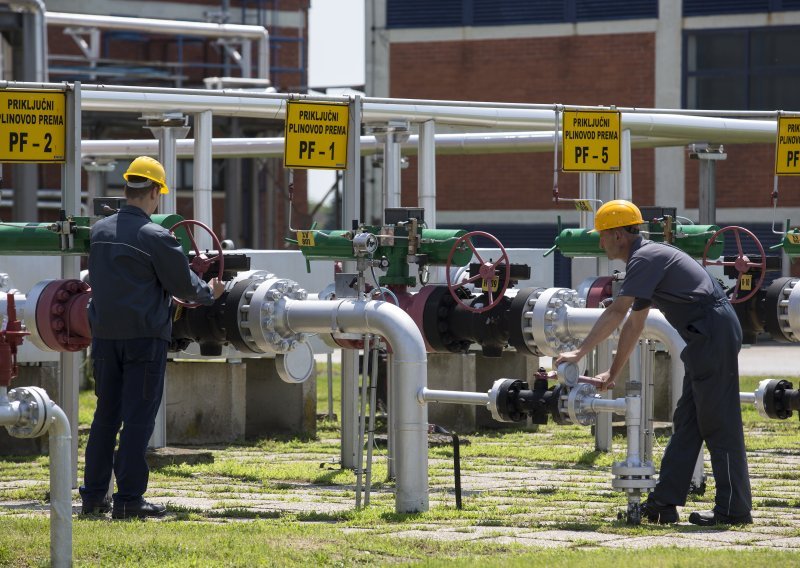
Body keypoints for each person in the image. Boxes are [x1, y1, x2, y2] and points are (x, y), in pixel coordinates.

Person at [556, 199, 752, 526]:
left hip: (711, 333)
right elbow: (635, 322)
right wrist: (612, 372)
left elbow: (617, 312)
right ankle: (663, 503)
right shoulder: (647, 258)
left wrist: (578, 353)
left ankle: (734, 509)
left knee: (719, 422)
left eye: (602, 235)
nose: (599, 241)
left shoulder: (645, 259)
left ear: (619, 234)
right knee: (688, 420)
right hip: (706, 334)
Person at [79, 156, 225, 519]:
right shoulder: (156, 236)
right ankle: (129, 500)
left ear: (127, 188)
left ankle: (94, 497)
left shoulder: (99, 232)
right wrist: (211, 291)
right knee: (139, 419)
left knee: (105, 418)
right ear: (155, 193)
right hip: (144, 339)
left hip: (105, 339)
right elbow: (183, 288)